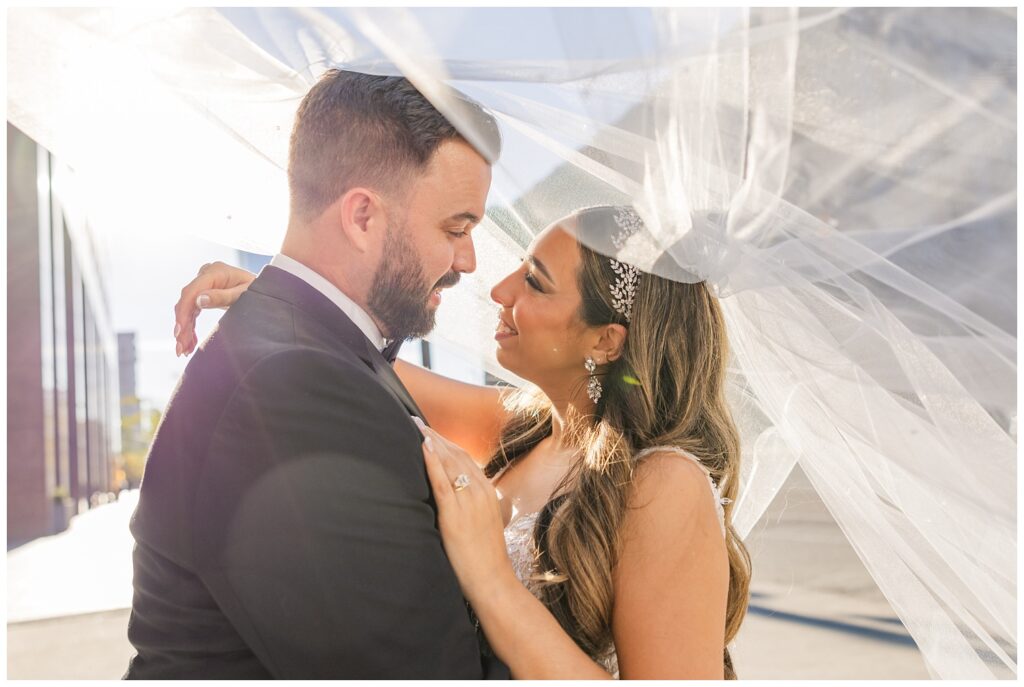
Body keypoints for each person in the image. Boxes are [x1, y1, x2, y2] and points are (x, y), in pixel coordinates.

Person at [174, 205, 753, 679]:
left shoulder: (664, 484)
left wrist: (491, 579)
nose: (499, 290)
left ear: (605, 341)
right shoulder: (525, 429)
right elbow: (356, 365)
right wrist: (267, 296)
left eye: (534, 282)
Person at [125, 69, 507, 679]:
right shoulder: (295, 384)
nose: (467, 260)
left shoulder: (302, 350)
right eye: (456, 229)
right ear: (361, 216)